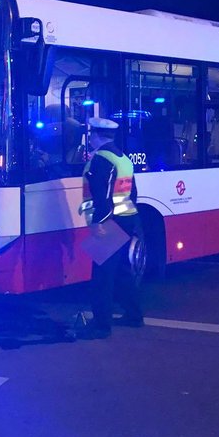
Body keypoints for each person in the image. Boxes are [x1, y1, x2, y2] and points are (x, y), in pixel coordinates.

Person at [70, 117, 144, 340]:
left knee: (102, 274)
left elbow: (102, 196)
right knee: (121, 269)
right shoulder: (123, 159)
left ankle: (101, 325)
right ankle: (134, 315)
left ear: (97, 136)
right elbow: (133, 193)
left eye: (91, 135)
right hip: (127, 217)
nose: (90, 138)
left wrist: (98, 222)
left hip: (110, 221)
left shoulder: (101, 159)